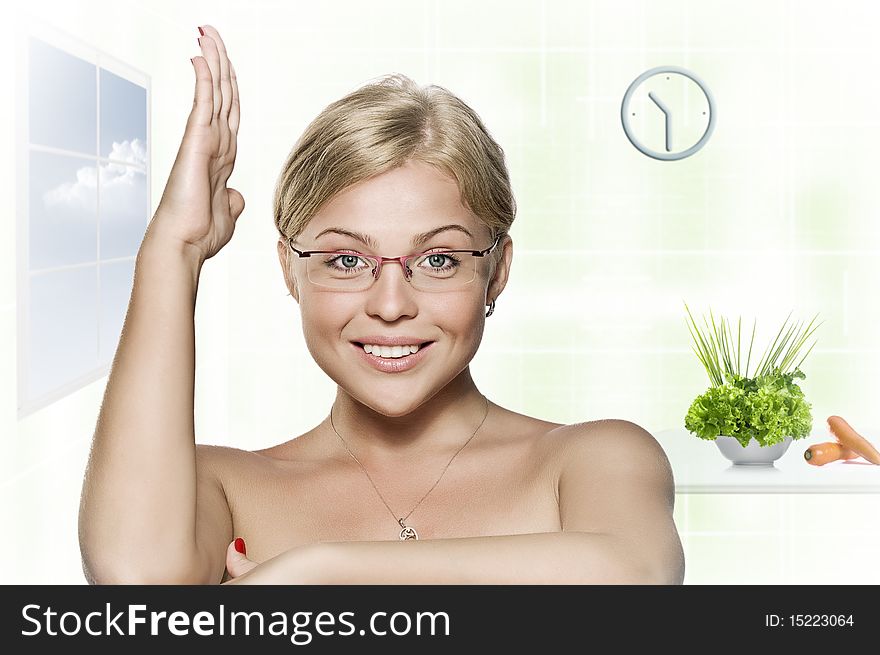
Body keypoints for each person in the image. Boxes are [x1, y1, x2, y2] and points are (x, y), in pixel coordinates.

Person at [78, 25, 685, 585]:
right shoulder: (222, 485)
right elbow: (136, 590)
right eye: (346, 260)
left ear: (496, 269)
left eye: (438, 260)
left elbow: (634, 578)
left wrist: (320, 569)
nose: (391, 305)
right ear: (290, 268)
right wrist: (173, 253)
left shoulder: (591, 460)